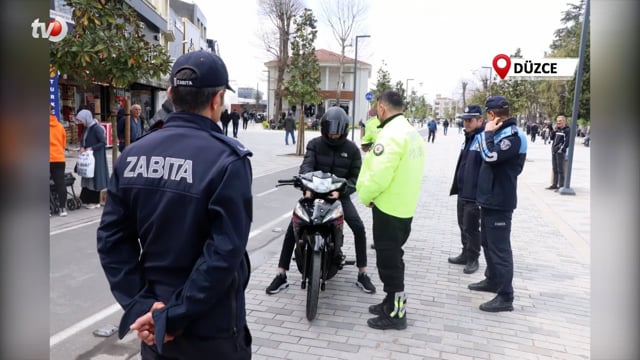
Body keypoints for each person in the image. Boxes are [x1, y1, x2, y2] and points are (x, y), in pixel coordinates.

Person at [97, 50, 253, 359]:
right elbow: (223, 253)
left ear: (170, 93)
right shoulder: (227, 160)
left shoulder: (132, 156)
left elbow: (111, 241)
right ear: (217, 99)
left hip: (154, 321)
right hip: (210, 325)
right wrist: (175, 314)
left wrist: (145, 307)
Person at [265, 106, 376, 295]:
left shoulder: (352, 150)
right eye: (330, 132)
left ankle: (362, 273)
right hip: (313, 193)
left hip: (339, 196)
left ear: (344, 131)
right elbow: (306, 166)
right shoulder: (315, 144)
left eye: (337, 133)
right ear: (324, 129)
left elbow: (355, 178)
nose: (333, 136)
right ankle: (281, 274)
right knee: (294, 225)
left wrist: (341, 192)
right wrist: (306, 187)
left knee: (358, 226)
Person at [356, 90, 425, 330]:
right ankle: (389, 302)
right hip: (403, 206)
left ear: (382, 108)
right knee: (393, 257)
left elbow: (379, 175)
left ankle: (396, 314)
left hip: (389, 208)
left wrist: (365, 196)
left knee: (390, 262)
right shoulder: (410, 132)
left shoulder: (391, 135)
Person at [468, 96, 527, 313]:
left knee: (500, 250)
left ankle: (505, 296)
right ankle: (492, 279)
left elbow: (490, 155)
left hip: (500, 201)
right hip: (490, 199)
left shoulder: (513, 135)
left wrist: (488, 133)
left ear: (492, 115)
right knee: (487, 242)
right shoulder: (502, 132)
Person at [448, 105, 485, 274]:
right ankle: (465, 253)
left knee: (471, 227)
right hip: (463, 190)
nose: (466, 123)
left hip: (474, 193)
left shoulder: (484, 138)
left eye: (470, 120)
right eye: (464, 120)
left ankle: (473, 258)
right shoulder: (468, 138)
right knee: (462, 225)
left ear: (480, 120)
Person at [75, 109, 109, 209]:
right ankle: (86, 199)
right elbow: (83, 139)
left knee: (95, 177)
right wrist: (82, 147)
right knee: (87, 176)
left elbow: (103, 142)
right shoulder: (87, 127)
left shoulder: (96, 128)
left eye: (81, 120)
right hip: (88, 157)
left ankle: (95, 201)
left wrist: (91, 148)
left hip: (96, 157)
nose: (80, 122)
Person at [49, 105, 68, 216]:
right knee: (61, 183)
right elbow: (63, 144)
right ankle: (62, 209)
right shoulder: (60, 126)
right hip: (59, 158)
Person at [546, 115, 571, 190]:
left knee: (560, 169)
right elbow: (551, 138)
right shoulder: (558, 129)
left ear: (564, 121)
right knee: (555, 168)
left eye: (560, 121)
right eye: (557, 121)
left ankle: (561, 186)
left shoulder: (567, 130)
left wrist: (561, 149)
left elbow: (567, 142)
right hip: (554, 151)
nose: (558, 122)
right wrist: (554, 130)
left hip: (560, 152)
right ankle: (554, 184)